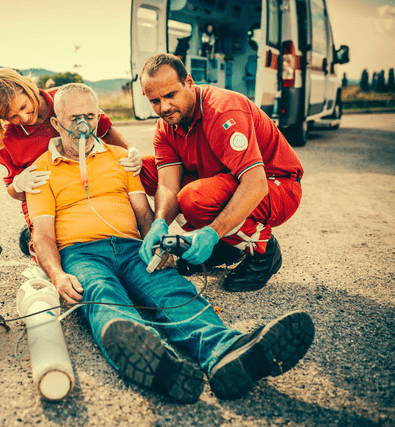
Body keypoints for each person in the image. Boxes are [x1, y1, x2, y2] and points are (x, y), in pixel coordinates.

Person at [26, 83, 314, 403]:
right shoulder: (40, 171)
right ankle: (157, 362)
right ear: (56, 123)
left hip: (132, 247)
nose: (83, 125)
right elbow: (43, 235)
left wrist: (158, 243)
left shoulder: (120, 160)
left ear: (98, 118)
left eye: (90, 116)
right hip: (81, 253)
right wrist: (57, 274)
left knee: (173, 291)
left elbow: (142, 212)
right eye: (74, 117)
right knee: (101, 293)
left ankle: (227, 352)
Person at [138, 53, 304, 292]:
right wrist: (159, 223)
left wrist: (211, 233)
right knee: (145, 171)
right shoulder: (166, 125)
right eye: (155, 101)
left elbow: (255, 183)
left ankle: (264, 250)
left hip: (276, 185)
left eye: (170, 95)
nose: (164, 107)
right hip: (226, 180)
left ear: (189, 83)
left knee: (193, 199)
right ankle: (228, 244)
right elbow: (166, 185)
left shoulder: (223, 111)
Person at [0, 68, 158, 258]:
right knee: (55, 248)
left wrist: (131, 152)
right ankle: (29, 235)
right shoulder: (5, 137)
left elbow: (106, 132)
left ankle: (180, 226)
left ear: (28, 88)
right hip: (50, 201)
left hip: (92, 184)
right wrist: (18, 184)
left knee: (145, 174)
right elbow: (13, 191)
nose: (23, 118)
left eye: (23, 107)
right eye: (12, 117)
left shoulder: (68, 99)